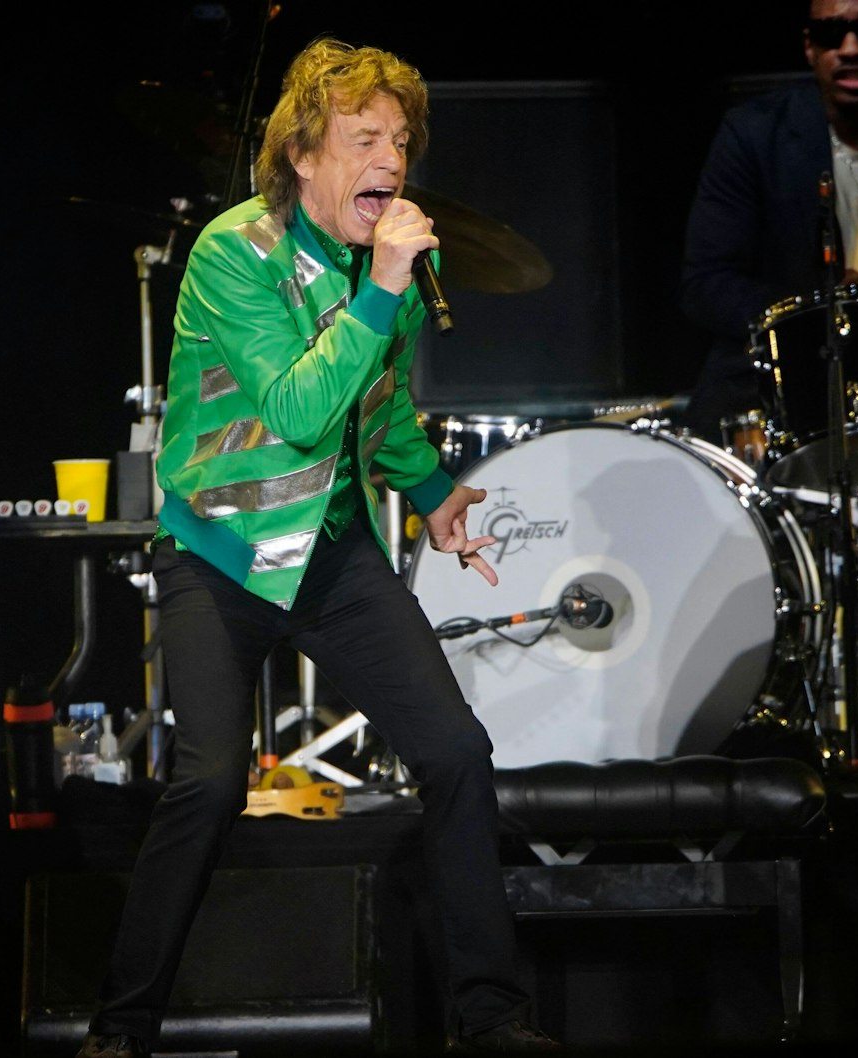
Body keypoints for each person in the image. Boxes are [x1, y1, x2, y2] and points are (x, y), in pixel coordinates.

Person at [73, 36, 560, 1058]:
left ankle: (491, 1018)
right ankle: (119, 1032)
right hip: (220, 551)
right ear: (302, 155)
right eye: (363, 139)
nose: (390, 160)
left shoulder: (381, 265)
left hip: (331, 555)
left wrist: (432, 494)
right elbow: (298, 413)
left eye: (400, 141)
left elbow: (374, 412)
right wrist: (380, 288)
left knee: (455, 752)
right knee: (209, 781)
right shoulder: (231, 253)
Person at [678, 0, 858, 446]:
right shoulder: (754, 134)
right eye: (831, 34)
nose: (850, 48)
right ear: (809, 47)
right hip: (790, 387)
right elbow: (707, 285)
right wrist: (820, 308)